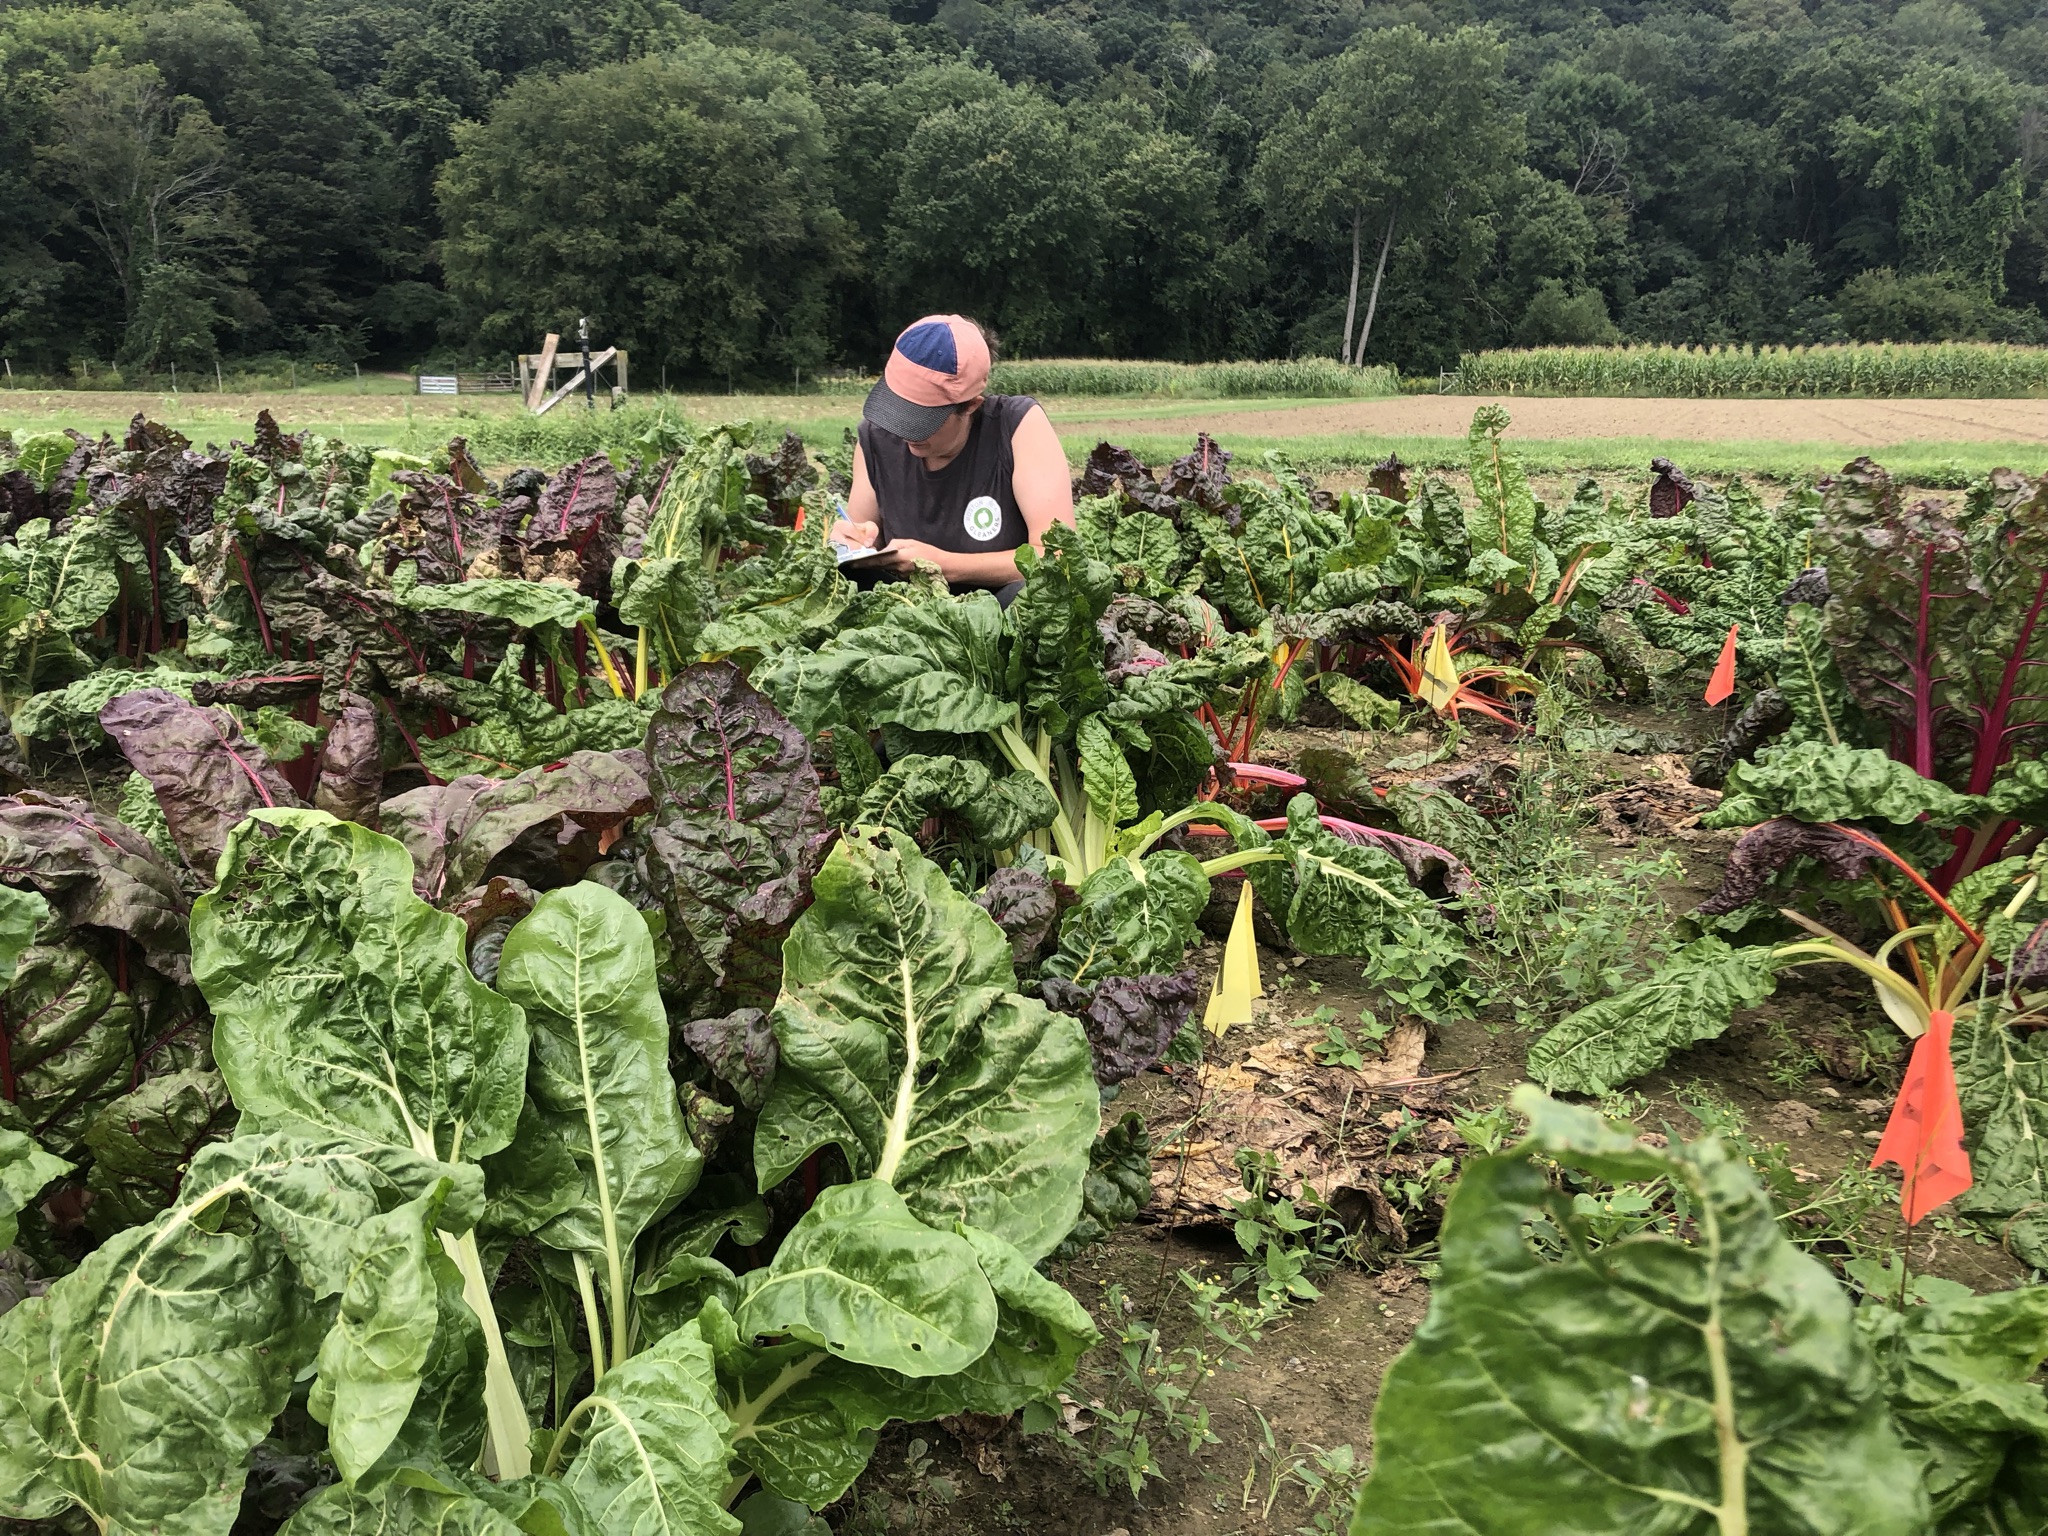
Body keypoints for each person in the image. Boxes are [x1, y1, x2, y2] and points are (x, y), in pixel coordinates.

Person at [829, 314, 1074, 605]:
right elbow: (860, 538)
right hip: (911, 615)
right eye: (898, 411)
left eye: (922, 419)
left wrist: (943, 564)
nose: (905, 431)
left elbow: (1056, 557)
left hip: (1000, 619)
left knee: (1033, 597)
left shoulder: (1017, 426)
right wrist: (854, 540)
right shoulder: (875, 437)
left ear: (970, 405)